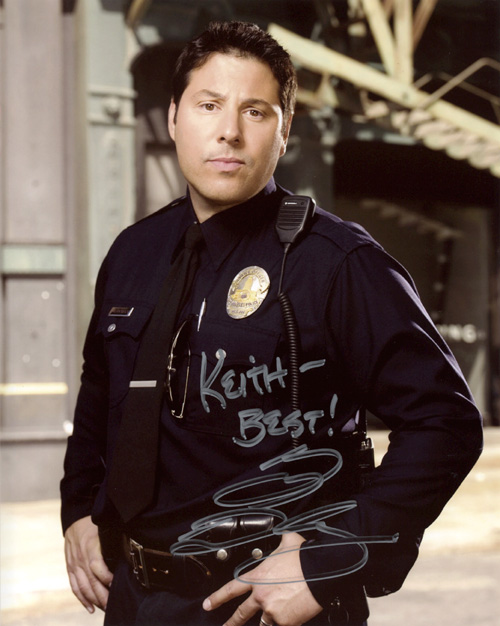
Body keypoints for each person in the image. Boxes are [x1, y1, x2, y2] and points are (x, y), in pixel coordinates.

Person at [61, 20, 483, 626]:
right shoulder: (133, 251)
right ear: (175, 117)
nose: (229, 131)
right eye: (209, 105)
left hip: (265, 604)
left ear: (284, 133)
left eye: (255, 111)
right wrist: (78, 508)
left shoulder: (337, 263)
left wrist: (334, 558)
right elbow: (101, 392)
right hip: (134, 599)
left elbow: (445, 423)